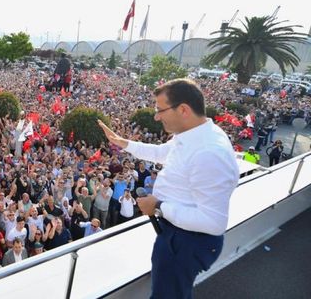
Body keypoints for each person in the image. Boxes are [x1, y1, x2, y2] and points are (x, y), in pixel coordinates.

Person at [99, 78, 239, 299]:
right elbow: (160, 153)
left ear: (183, 109)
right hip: (177, 235)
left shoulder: (210, 152)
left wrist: (159, 206)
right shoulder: (192, 136)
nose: (156, 116)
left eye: (160, 110)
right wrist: (122, 142)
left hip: (186, 242)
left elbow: (213, 223)